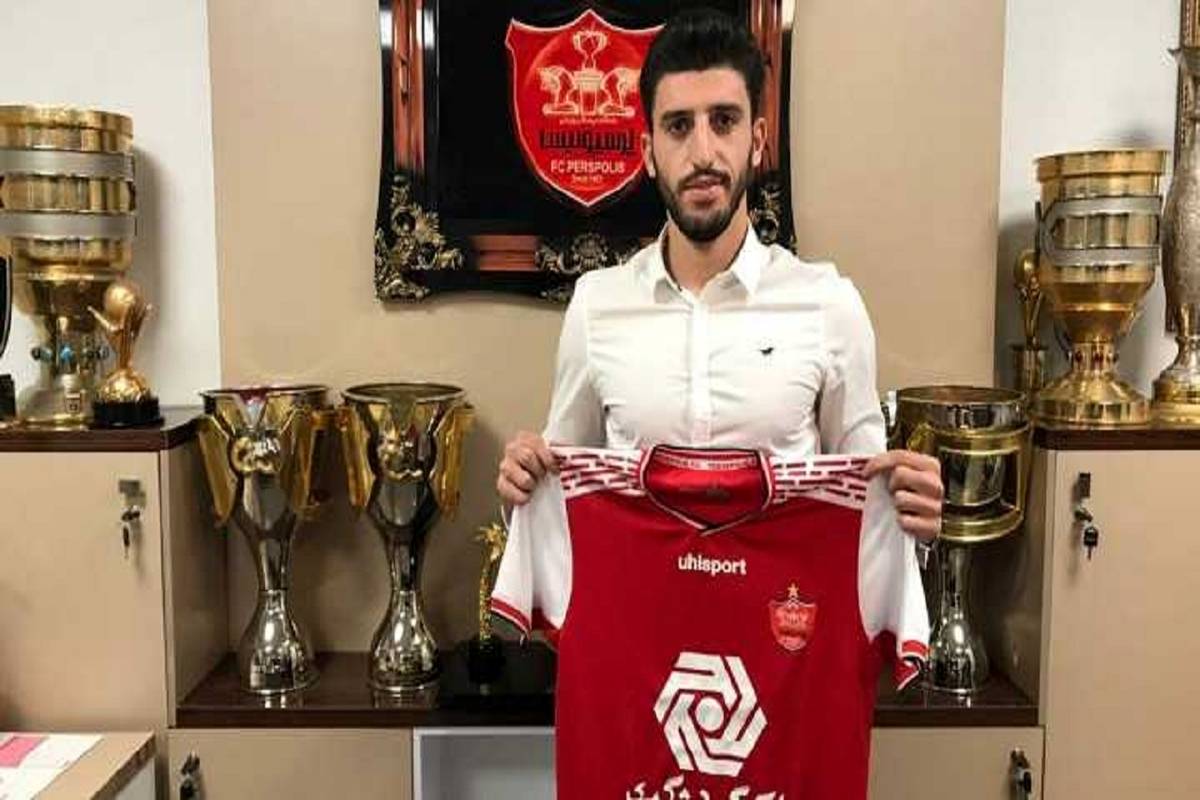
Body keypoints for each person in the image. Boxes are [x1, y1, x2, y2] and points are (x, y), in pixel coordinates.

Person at [497, 8, 943, 542]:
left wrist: (910, 515)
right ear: (649, 153)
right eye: (678, 126)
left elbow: (864, 506)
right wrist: (524, 490)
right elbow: (565, 498)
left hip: (783, 598)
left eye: (724, 121)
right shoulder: (596, 306)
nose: (703, 153)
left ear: (757, 141)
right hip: (642, 598)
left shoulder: (829, 304)